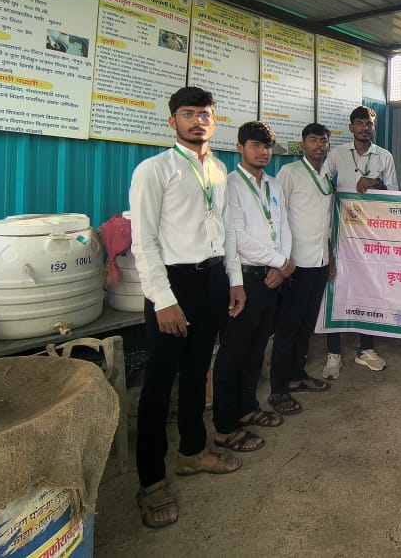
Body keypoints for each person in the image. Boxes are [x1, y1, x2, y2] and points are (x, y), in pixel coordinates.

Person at [129, 86, 245, 529]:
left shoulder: (218, 169)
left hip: (213, 280)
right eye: (188, 113)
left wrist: (235, 280)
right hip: (174, 284)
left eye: (205, 114)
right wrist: (163, 300)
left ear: (214, 120)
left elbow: (227, 230)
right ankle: (151, 480)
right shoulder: (154, 170)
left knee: (198, 374)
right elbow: (143, 242)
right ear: (172, 121)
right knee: (159, 386)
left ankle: (192, 453)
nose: (198, 120)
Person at [211, 122, 294, 454]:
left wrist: (281, 267)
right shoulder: (230, 185)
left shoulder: (273, 185)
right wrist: (280, 261)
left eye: (267, 146)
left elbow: (284, 227)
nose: (262, 152)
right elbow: (236, 236)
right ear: (240, 147)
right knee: (233, 353)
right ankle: (225, 426)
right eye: (255, 145)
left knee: (257, 348)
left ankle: (247, 408)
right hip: (244, 279)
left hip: (272, 276)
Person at [323, 105, 397, 377]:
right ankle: (333, 352)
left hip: (371, 234)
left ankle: (366, 349)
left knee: (369, 286)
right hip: (341, 232)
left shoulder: (384, 156)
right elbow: (322, 181)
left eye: (370, 124)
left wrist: (376, 184)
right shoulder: (337, 154)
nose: (365, 128)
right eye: (360, 123)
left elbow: (394, 193)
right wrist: (332, 192)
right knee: (335, 286)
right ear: (351, 127)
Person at [268, 123, 335, 415]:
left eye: (323, 140)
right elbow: (276, 217)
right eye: (313, 140)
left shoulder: (326, 176)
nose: (319, 145)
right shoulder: (290, 173)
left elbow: (326, 222)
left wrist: (330, 257)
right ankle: (278, 389)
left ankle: (296, 377)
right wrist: (280, 261)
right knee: (288, 327)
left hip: (319, 262)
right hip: (295, 264)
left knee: (306, 326)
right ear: (303, 144)